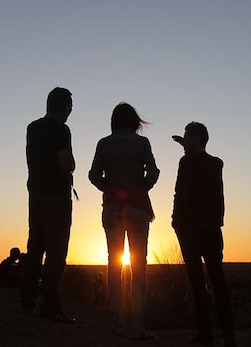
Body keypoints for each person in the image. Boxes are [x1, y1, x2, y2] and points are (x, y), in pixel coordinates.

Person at [88, 102, 160, 338]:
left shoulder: (104, 144)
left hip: (112, 208)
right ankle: (138, 326)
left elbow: (93, 175)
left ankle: (119, 322)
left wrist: (107, 187)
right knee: (139, 267)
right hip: (138, 208)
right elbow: (154, 172)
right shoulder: (142, 143)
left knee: (114, 264)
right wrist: (141, 188)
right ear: (133, 121)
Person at [171, 122, 236, 347]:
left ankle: (206, 334)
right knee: (218, 281)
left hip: (189, 229)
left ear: (197, 138)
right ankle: (228, 335)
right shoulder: (216, 164)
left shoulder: (186, 162)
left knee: (197, 283)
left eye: (187, 136)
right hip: (211, 229)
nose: (184, 140)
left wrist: (175, 221)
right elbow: (218, 198)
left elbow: (180, 193)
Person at [19, 87, 77, 323]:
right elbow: (66, 164)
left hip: (36, 194)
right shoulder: (61, 130)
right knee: (56, 252)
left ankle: (27, 301)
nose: (70, 111)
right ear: (64, 106)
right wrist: (72, 165)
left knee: (35, 249)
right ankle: (50, 306)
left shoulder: (32, 128)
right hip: (57, 197)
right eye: (70, 107)